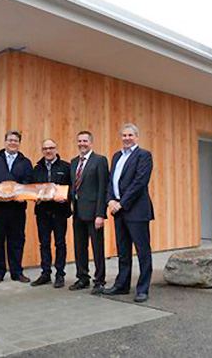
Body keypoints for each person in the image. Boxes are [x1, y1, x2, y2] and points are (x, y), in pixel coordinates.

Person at [104, 123, 154, 303]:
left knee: (142, 251)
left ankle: (142, 289)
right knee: (123, 251)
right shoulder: (116, 156)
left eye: (130, 135)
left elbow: (140, 182)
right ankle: (122, 285)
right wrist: (110, 200)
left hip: (136, 210)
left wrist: (121, 203)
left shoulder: (144, 155)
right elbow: (111, 181)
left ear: (136, 137)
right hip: (118, 210)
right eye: (124, 135)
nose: (126, 138)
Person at [0, 130, 33, 284]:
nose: (12, 143)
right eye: (10, 140)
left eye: (15, 140)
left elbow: (29, 182)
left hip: (17, 209)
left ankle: (17, 272)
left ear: (19, 143)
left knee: (17, 241)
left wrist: (20, 192)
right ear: (5, 142)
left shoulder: (25, 162)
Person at [69, 131, 109, 295]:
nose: (82, 144)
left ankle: (99, 281)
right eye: (79, 141)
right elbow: (72, 187)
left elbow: (103, 188)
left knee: (97, 248)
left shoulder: (99, 160)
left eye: (85, 141)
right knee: (80, 247)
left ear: (91, 143)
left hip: (94, 213)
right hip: (77, 211)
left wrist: (101, 214)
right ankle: (82, 278)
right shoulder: (73, 162)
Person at [30, 138, 72, 288]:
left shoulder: (66, 167)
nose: (48, 151)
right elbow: (31, 189)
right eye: (45, 148)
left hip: (60, 212)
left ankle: (60, 274)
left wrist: (65, 197)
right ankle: (45, 273)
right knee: (44, 243)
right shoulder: (36, 168)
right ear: (42, 151)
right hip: (42, 212)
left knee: (60, 243)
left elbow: (72, 189)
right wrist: (34, 197)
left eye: (51, 148)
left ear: (56, 149)